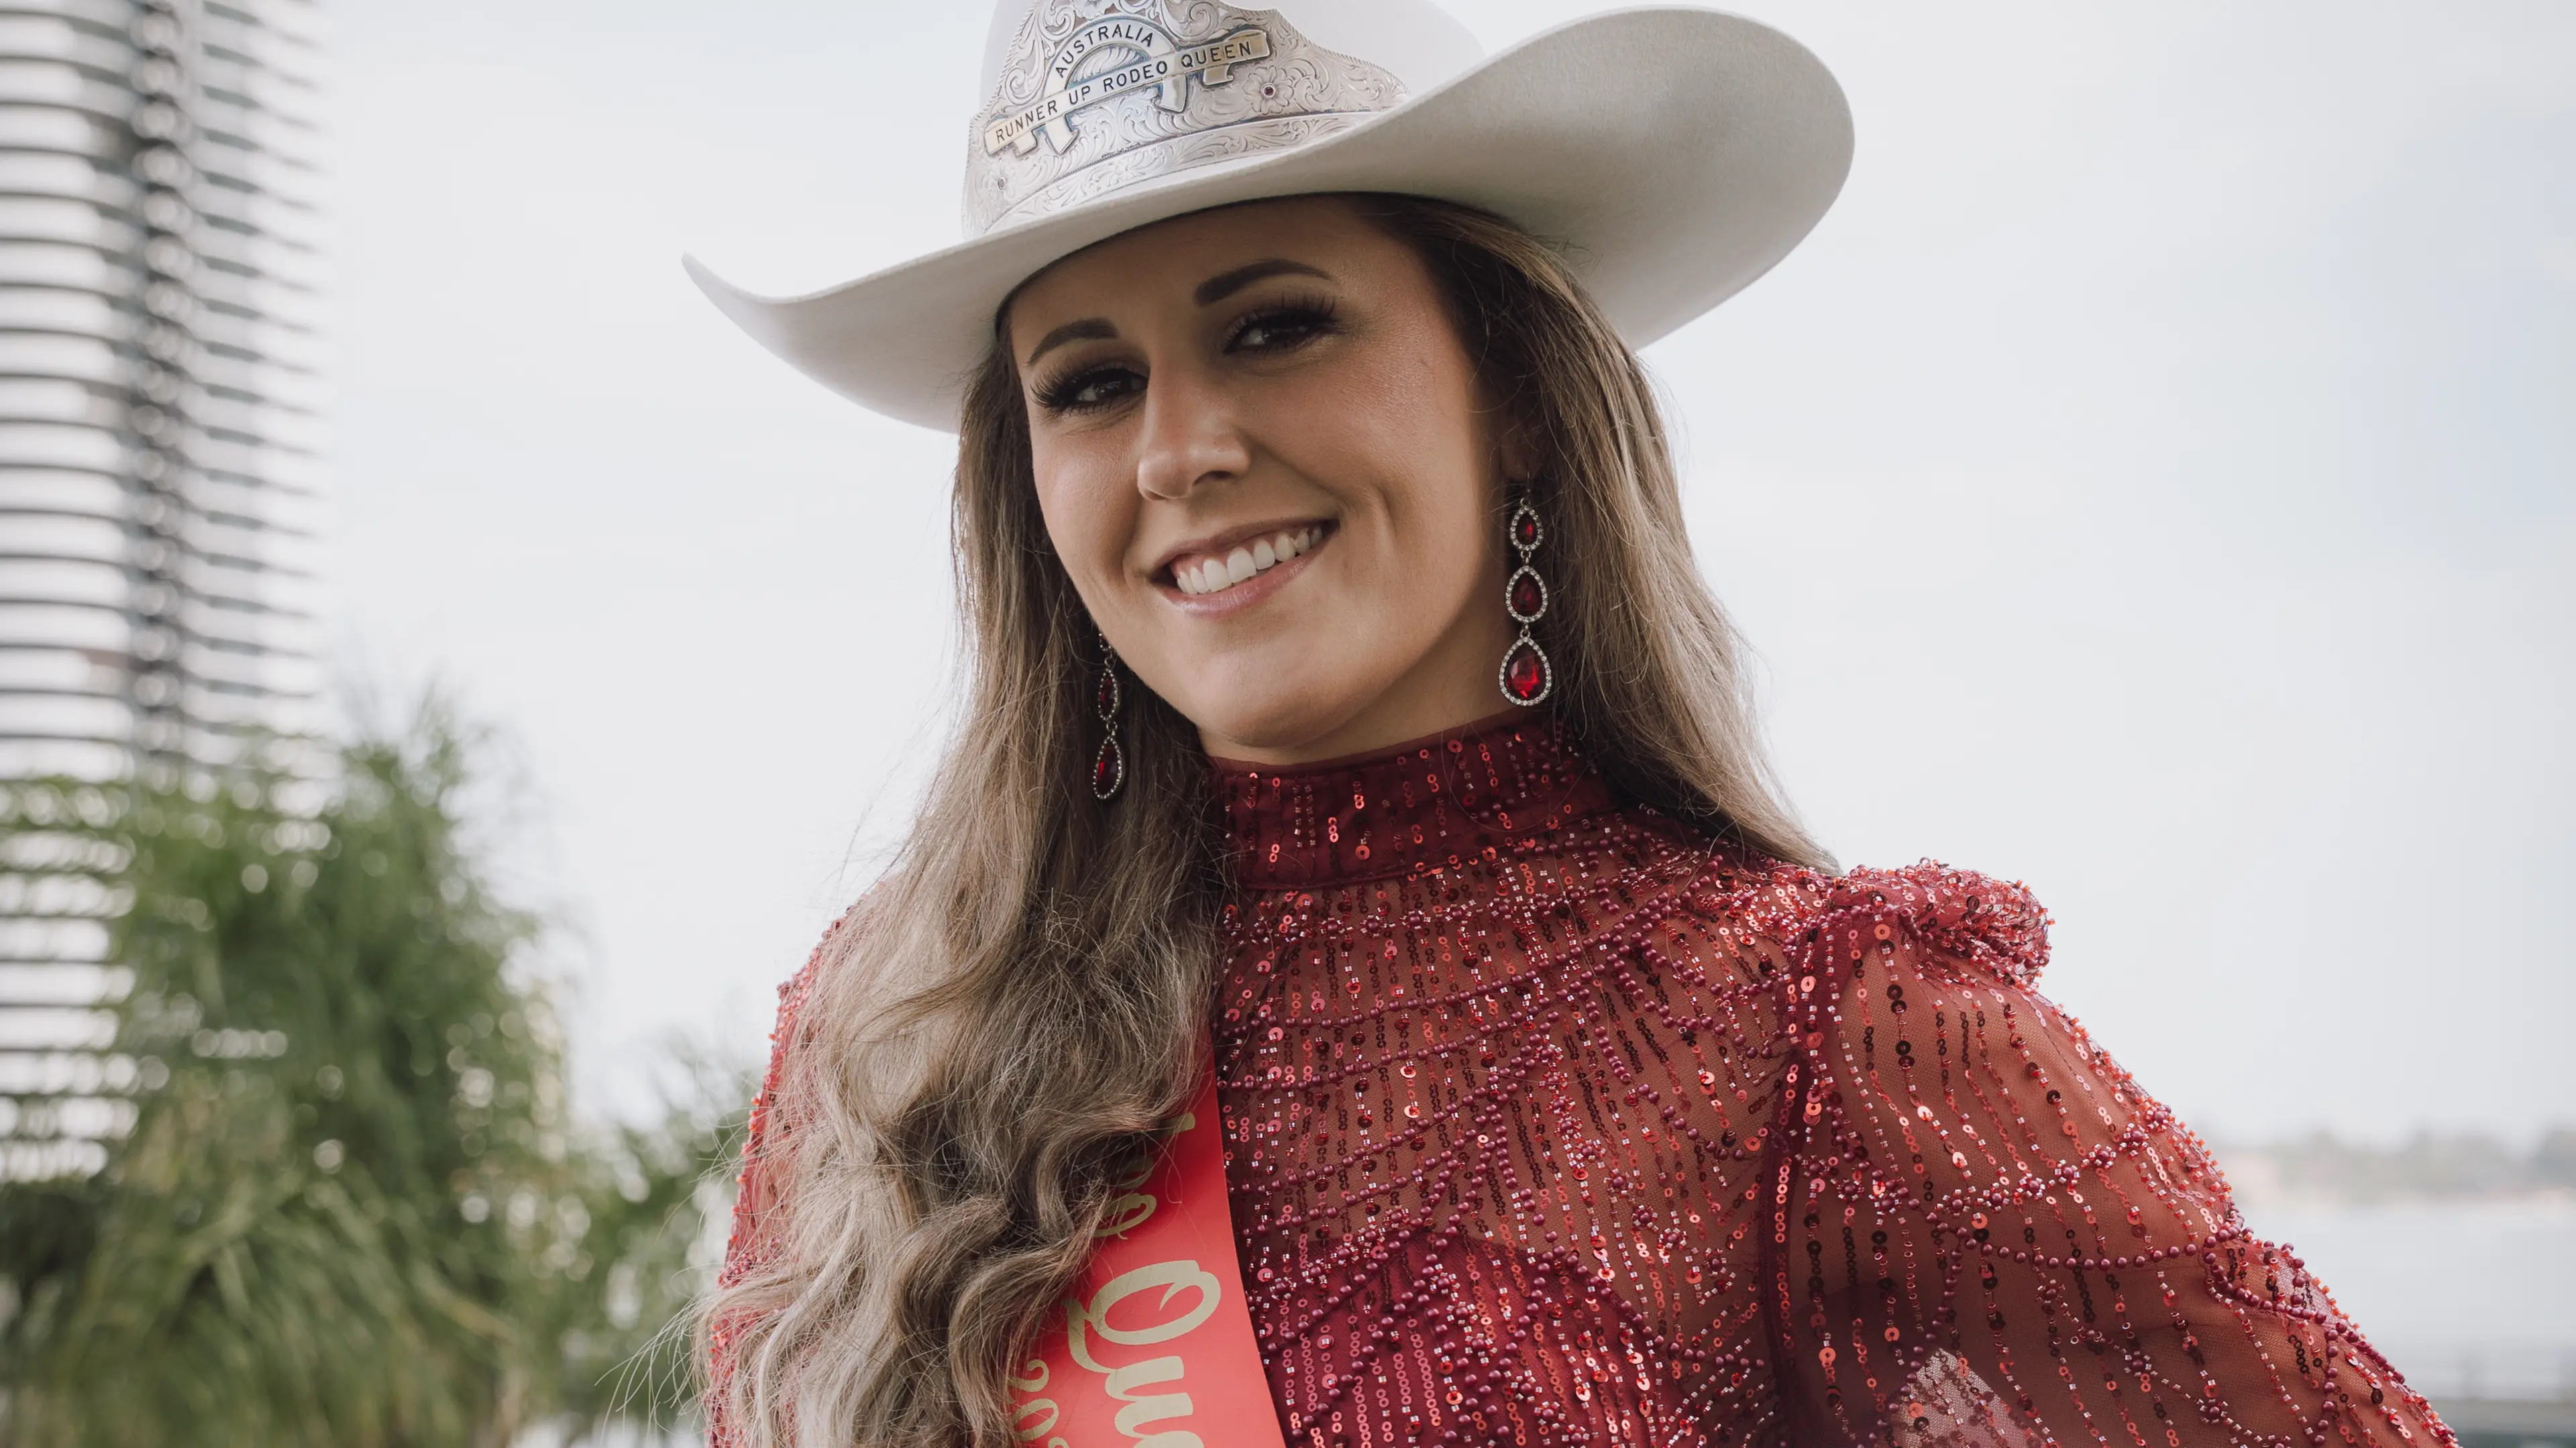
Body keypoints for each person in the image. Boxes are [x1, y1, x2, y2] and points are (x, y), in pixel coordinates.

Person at [688, 2, 2455, 1445]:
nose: (1179, 450)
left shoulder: (1820, 1032)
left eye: (1278, 327)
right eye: (1089, 383)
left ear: (1519, 390)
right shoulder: (899, 1041)